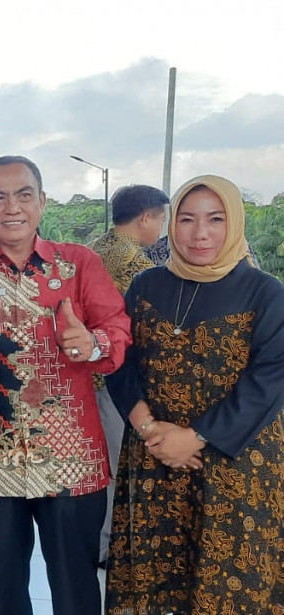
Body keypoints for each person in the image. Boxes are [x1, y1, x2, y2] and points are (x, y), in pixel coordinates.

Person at [0, 155, 131, 615]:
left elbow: (118, 332)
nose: (12, 207)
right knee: (1, 590)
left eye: (23, 195)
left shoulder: (79, 264)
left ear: (42, 201)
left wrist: (91, 343)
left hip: (71, 460)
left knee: (76, 587)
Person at [105, 175, 284, 614]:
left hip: (234, 462)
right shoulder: (146, 285)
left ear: (234, 223)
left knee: (228, 585)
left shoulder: (264, 292)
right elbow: (121, 360)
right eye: (187, 219)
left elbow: (269, 378)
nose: (200, 233)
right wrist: (150, 429)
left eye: (215, 219)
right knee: (157, 581)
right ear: (171, 225)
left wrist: (196, 437)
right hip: (156, 456)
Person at [83, 183, 165, 565]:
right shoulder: (139, 267)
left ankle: (99, 541)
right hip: (114, 379)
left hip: (84, 377)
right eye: (162, 219)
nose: (162, 229)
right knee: (119, 467)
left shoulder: (91, 249)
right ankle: (108, 547)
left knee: (96, 466)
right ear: (146, 218)